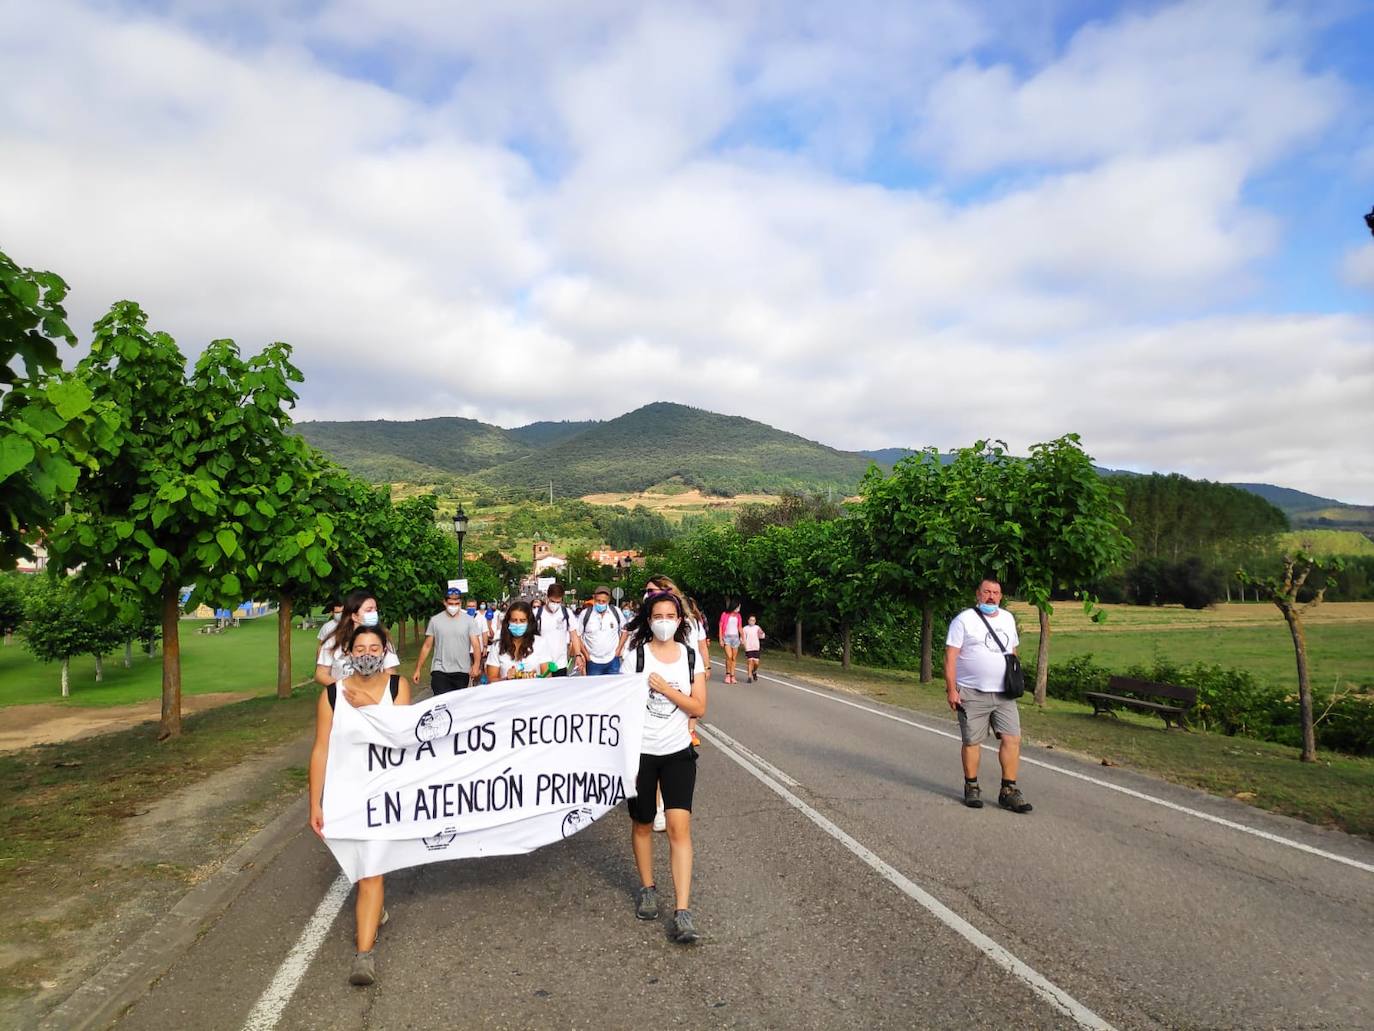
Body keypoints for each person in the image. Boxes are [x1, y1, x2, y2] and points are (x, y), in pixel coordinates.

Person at [308, 624, 412, 986]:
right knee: (362, 869)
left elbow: (403, 737)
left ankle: (363, 955)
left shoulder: (397, 688)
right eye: (360, 647)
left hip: (383, 796)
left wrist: (370, 707)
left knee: (371, 873)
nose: (367, 654)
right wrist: (315, 803)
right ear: (348, 653)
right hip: (347, 796)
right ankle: (376, 911)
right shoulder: (332, 695)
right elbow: (321, 749)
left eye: (374, 646)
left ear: (385, 650)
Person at [626, 590, 707, 944]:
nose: (663, 622)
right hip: (641, 753)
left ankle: (683, 910)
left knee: (678, 828)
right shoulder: (635, 657)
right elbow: (620, 707)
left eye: (669, 616)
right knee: (643, 823)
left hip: (677, 752)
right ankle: (647, 887)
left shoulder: (690, 659)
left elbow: (699, 707)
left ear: (679, 620)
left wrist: (664, 689)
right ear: (648, 620)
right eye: (656, 616)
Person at [944, 577, 1032, 814]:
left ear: (1001, 596)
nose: (991, 596)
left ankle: (1008, 791)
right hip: (972, 693)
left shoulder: (1007, 618)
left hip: (1004, 693)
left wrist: (1013, 678)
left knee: (1012, 738)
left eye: (996, 592)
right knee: (973, 741)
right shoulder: (963, 620)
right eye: (986, 592)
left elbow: (1012, 651)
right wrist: (952, 689)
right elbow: (951, 656)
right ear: (978, 594)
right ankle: (971, 785)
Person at [315, 590, 399, 687]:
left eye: (375, 610)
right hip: (342, 698)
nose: (374, 613)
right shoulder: (333, 640)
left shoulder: (383, 639)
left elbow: (390, 673)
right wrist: (344, 690)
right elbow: (321, 674)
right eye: (369, 610)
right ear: (354, 616)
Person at [412, 587, 485, 695]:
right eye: (451, 603)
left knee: (456, 706)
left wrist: (476, 665)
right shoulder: (435, 621)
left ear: (460, 603)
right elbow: (427, 646)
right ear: (445, 602)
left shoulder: (469, 621)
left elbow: (476, 645)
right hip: (440, 670)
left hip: (461, 670)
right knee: (441, 703)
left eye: (457, 603)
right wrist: (418, 669)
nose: (454, 606)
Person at [484, 600, 559, 681]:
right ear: (508, 622)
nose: (518, 624)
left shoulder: (540, 643)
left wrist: (536, 678)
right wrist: (506, 679)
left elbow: (547, 677)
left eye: (522, 621)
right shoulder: (497, 646)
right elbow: (491, 679)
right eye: (514, 620)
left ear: (529, 622)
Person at [534, 582, 580, 677]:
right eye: (552, 601)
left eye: (558, 602)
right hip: (541, 664)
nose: (555, 604)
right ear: (547, 598)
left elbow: (574, 635)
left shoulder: (566, 613)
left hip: (560, 663)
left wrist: (578, 655)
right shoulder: (536, 614)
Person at [580, 585, 627, 675]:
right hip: (593, 661)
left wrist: (619, 649)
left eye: (603, 601)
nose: (600, 603)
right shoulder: (585, 614)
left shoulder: (616, 612)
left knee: (613, 688)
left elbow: (625, 631)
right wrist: (586, 655)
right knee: (594, 688)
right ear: (594, 599)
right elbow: (578, 635)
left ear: (608, 601)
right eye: (598, 601)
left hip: (612, 660)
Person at [718, 600, 743, 683]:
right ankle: (727, 674)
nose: (739, 609)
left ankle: (732, 675)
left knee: (734, 658)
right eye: (738, 607)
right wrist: (721, 639)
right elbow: (721, 626)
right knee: (729, 656)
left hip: (735, 637)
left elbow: (739, 627)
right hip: (727, 637)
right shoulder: (725, 614)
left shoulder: (738, 616)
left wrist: (742, 637)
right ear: (734, 606)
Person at [741, 615, 765, 682]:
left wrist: (761, 633)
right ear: (748, 621)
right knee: (750, 661)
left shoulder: (757, 628)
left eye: (753, 620)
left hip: (756, 647)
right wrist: (744, 644)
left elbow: (762, 636)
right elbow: (743, 638)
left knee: (756, 663)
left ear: (755, 621)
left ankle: (754, 671)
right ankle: (749, 677)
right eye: (751, 620)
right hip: (748, 647)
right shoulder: (745, 628)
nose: (752, 621)